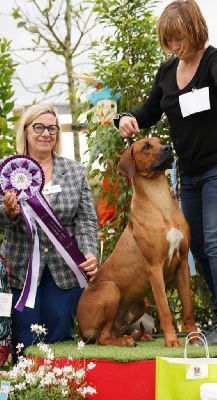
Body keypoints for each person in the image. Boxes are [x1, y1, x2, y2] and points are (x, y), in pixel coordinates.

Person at [114, 0, 217, 345]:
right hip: (187, 175)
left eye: (179, 39)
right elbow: (149, 110)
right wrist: (127, 117)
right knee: (199, 249)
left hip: (216, 170)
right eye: (168, 41)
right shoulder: (166, 73)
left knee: (215, 244)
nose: (174, 47)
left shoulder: (213, 64)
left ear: (195, 30)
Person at [0, 104, 98, 362]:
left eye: (52, 128)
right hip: (20, 271)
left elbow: (86, 218)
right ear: (26, 131)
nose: (46, 133)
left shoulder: (75, 171)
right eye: (39, 127)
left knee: (60, 336)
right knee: (24, 340)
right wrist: (8, 213)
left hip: (65, 271)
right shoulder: (6, 169)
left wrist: (89, 252)